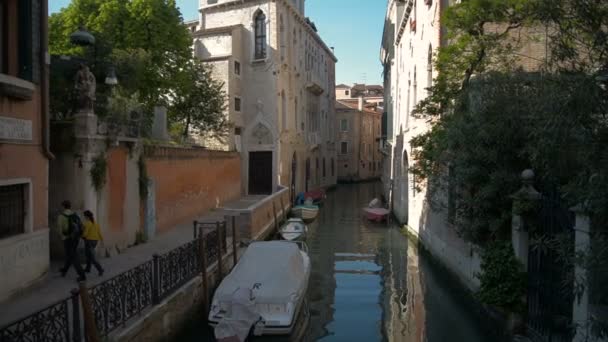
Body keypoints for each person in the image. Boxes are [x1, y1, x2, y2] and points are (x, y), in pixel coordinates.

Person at [57, 200, 86, 281]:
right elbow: (81, 225)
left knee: (73, 256)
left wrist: (62, 237)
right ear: (70, 206)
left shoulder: (61, 216)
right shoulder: (75, 214)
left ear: (63, 206)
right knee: (70, 254)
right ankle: (64, 270)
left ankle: (82, 275)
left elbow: (59, 229)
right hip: (76, 238)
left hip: (67, 239)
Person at [82, 210, 105, 276]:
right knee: (88, 255)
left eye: (85, 216)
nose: (84, 217)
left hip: (89, 241)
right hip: (95, 241)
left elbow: (85, 234)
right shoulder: (96, 223)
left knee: (92, 257)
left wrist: (81, 235)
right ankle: (88, 268)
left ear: (87, 217)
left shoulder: (87, 223)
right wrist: (102, 240)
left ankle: (100, 269)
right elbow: (99, 232)